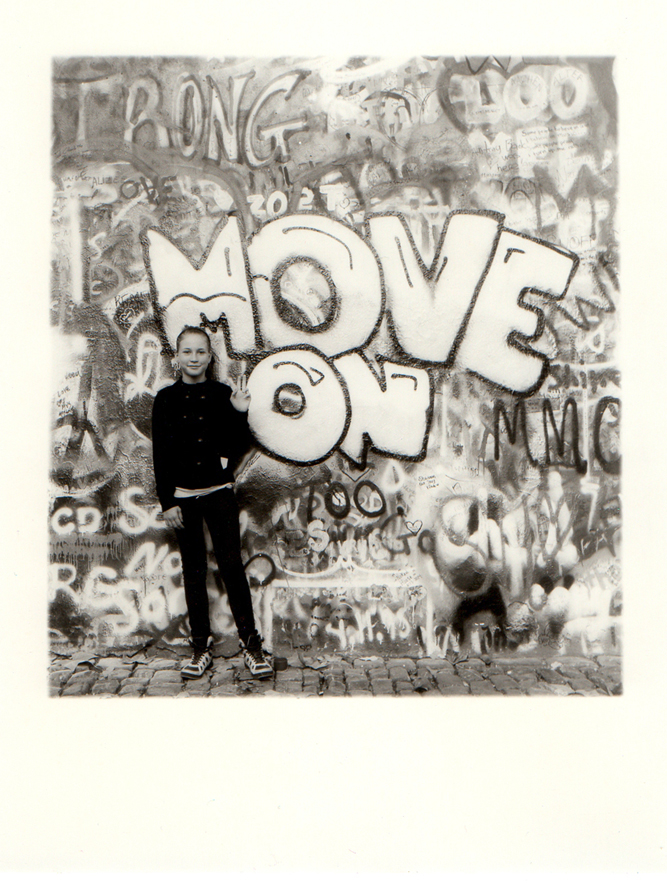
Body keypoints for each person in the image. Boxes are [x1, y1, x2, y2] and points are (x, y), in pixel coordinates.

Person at [151, 325, 272, 680]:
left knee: (232, 567)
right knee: (194, 572)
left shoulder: (222, 394)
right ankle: (200, 648)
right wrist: (167, 502)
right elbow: (160, 455)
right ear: (176, 357)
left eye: (200, 351)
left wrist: (239, 412)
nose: (194, 358)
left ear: (209, 357)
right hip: (183, 499)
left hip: (219, 494)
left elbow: (235, 445)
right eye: (187, 351)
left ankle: (251, 645)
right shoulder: (165, 399)